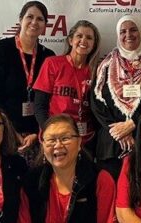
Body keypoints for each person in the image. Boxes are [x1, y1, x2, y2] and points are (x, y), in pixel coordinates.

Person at [91, 15, 141, 180]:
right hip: (110, 144)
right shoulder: (106, 65)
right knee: (109, 198)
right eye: (123, 31)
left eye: (133, 30)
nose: (128, 35)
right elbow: (96, 103)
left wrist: (133, 123)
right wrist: (119, 131)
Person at [0, 1, 55, 164]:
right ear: (21, 20)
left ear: (45, 26)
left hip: (36, 136)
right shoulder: (1, 49)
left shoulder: (48, 57)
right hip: (3, 133)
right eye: (30, 17)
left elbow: (52, 101)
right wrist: (12, 132)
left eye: (40, 19)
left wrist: (38, 132)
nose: (34, 22)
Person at [33, 20, 100, 157]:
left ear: (94, 44)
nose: (83, 41)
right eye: (79, 36)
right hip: (56, 138)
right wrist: (49, 132)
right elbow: (40, 105)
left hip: (85, 139)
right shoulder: (52, 63)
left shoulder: (97, 71)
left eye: (89, 38)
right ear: (70, 40)